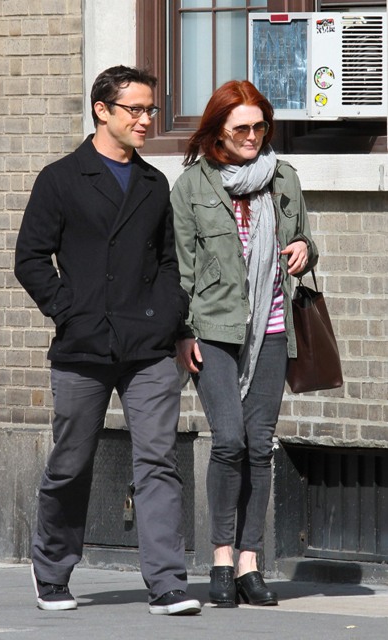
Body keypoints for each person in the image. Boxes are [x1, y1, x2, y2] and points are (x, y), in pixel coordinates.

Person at [14, 65, 201, 616]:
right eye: (135, 109)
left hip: (148, 347)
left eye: (151, 110)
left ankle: (167, 583)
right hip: (84, 346)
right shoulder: (61, 178)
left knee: (158, 460)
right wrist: (69, 311)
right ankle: (52, 571)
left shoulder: (153, 184)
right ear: (102, 110)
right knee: (71, 462)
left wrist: (171, 319)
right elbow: (30, 258)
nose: (146, 120)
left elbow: (168, 262)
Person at [171, 80, 318, 608]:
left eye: (260, 126)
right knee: (229, 441)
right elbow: (179, 269)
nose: (253, 136)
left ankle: (249, 563)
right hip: (214, 331)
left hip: (273, 327)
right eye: (242, 129)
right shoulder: (191, 187)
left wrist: (305, 247)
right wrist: (181, 333)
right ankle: (219, 557)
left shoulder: (283, 178)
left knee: (260, 445)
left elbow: (303, 238)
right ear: (217, 132)